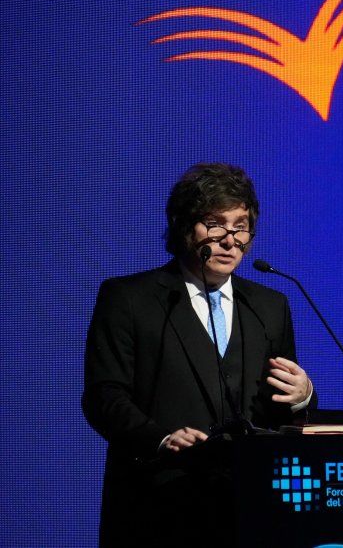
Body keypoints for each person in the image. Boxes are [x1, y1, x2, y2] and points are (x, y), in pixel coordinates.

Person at [83, 163, 316, 546]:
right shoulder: (130, 298)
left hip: (250, 508)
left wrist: (302, 395)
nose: (230, 240)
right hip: (159, 504)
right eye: (215, 224)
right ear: (183, 226)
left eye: (240, 226)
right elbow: (104, 395)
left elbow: (279, 411)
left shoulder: (270, 306)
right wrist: (160, 439)